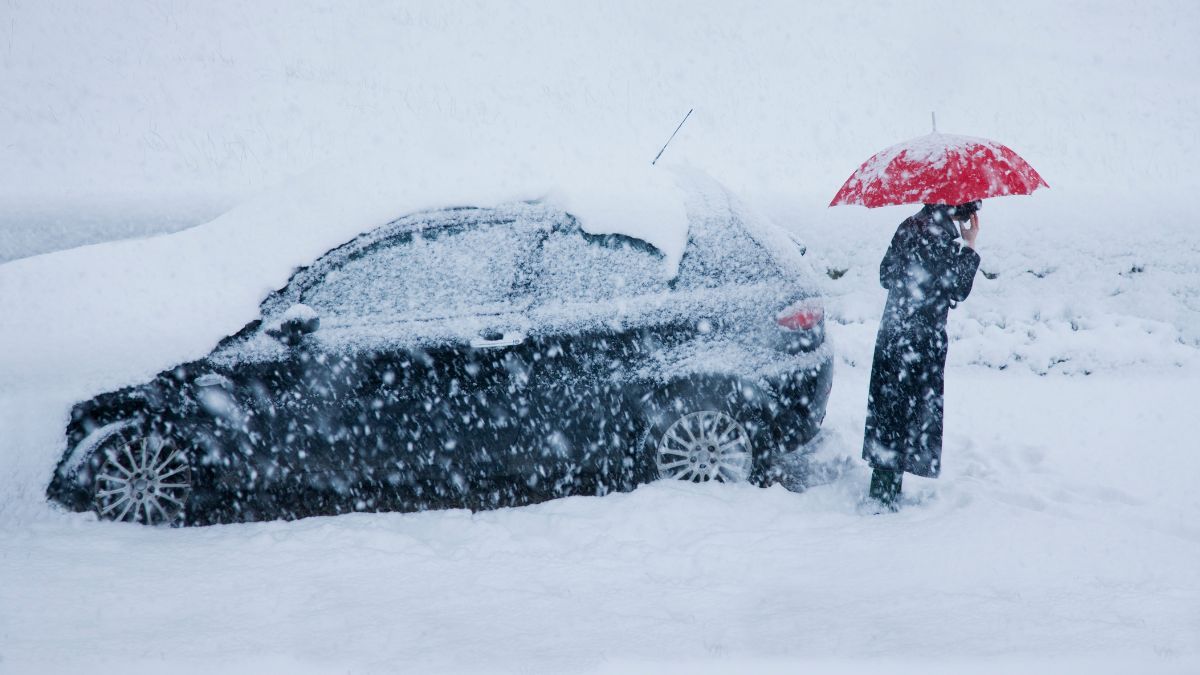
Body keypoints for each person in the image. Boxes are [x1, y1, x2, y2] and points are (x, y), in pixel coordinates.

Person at [862, 200, 982, 510]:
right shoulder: (943, 235)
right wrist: (969, 246)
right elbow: (956, 289)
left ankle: (884, 487)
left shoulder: (909, 224)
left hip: (893, 333)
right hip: (922, 339)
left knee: (890, 410)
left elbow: (886, 275)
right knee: (909, 413)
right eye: (969, 206)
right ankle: (885, 496)